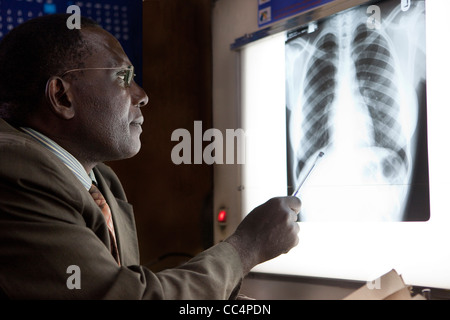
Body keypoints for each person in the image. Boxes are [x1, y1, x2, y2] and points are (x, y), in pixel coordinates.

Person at [0, 14, 301, 299]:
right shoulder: (14, 172)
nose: (142, 95)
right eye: (123, 77)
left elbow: (126, 285)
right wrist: (246, 247)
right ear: (62, 96)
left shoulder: (100, 180)